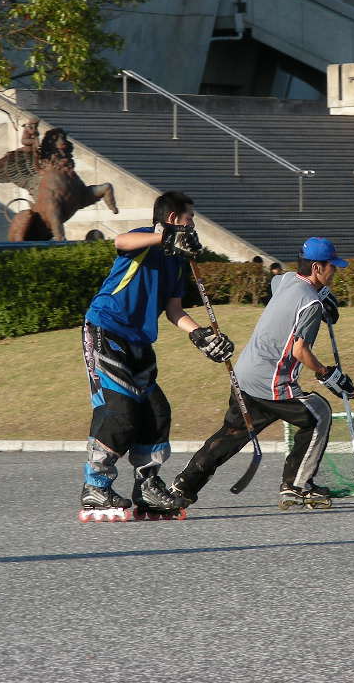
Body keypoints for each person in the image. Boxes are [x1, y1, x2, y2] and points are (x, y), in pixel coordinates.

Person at [78, 190, 235, 522]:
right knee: (121, 413)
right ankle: (96, 486)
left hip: (139, 341)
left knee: (157, 411)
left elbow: (173, 309)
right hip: (106, 330)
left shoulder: (177, 262)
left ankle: (146, 485)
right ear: (174, 218)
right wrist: (161, 237)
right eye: (190, 218)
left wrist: (201, 335)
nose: (194, 225)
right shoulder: (143, 240)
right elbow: (119, 242)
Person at [169, 237, 354, 511]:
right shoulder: (311, 305)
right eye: (332, 267)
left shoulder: (288, 279)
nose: (335, 271)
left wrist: (321, 296)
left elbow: (275, 283)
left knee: (230, 435)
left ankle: (183, 486)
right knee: (319, 413)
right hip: (271, 383)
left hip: (244, 375)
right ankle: (297, 486)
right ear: (317, 268)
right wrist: (327, 374)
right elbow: (299, 350)